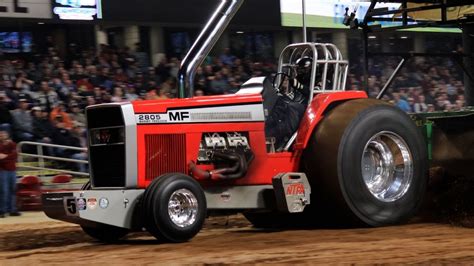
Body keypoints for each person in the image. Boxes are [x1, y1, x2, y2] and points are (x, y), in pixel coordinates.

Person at [0, 130, 20, 218]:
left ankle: (13, 210)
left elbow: (15, 155)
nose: (2, 136)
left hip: (12, 170)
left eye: (4, 134)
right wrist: (10, 157)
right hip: (2, 170)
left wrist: (6, 156)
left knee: (13, 190)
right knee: (4, 191)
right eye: (1, 135)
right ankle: (2, 210)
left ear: (7, 135)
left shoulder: (12, 144)